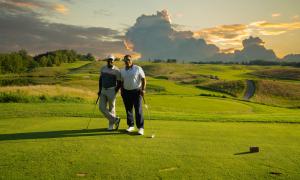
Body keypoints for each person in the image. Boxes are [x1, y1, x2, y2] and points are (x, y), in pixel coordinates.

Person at [120, 55, 146, 135]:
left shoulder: (137, 68)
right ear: (124, 61)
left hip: (136, 92)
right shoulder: (122, 70)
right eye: (125, 60)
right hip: (126, 92)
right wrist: (122, 91)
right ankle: (131, 126)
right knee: (128, 110)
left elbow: (143, 79)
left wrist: (143, 89)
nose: (127, 61)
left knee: (138, 110)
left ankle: (140, 128)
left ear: (131, 60)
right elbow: (121, 81)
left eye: (128, 60)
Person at [98, 54, 121, 131]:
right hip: (103, 90)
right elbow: (100, 80)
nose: (110, 61)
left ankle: (111, 126)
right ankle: (115, 119)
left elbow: (119, 82)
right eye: (108, 60)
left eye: (111, 60)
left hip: (112, 90)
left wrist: (115, 91)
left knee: (112, 108)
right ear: (107, 61)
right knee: (101, 107)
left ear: (113, 61)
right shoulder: (103, 69)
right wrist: (99, 89)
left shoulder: (117, 70)